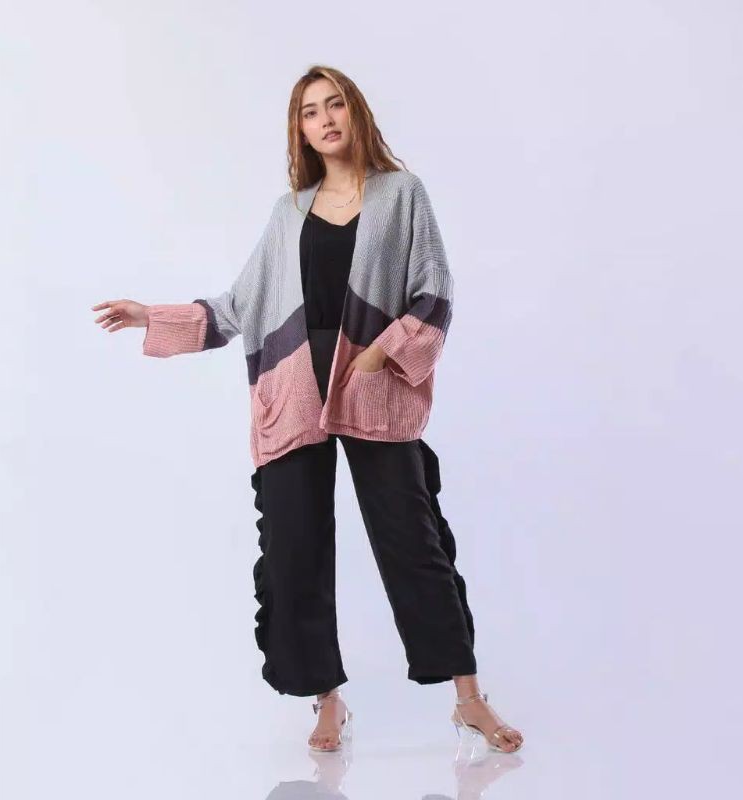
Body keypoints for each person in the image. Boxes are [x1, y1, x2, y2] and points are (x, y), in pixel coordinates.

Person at [91, 65, 524, 755]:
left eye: (335, 104)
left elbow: (435, 292)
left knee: (415, 544)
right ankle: (327, 700)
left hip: (375, 389)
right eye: (309, 111)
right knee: (295, 547)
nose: (325, 119)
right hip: (295, 395)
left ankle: (469, 700)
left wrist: (382, 353)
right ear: (299, 128)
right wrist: (154, 315)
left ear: (356, 113)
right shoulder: (288, 211)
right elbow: (239, 306)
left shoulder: (402, 194)